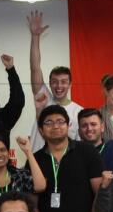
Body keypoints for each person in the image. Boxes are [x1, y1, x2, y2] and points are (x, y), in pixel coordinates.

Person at [33, 105, 106, 212]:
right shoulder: (35, 160)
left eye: (60, 121)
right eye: (49, 123)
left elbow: (99, 195)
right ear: (40, 130)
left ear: (68, 126)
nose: (55, 126)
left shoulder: (87, 152)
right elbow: (32, 206)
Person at [27, 10, 81, 149]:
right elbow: (35, 67)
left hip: (64, 168)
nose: (59, 86)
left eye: (63, 82)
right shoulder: (43, 98)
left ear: (70, 84)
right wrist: (35, 37)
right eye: (55, 81)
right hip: (38, 163)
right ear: (49, 84)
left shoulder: (78, 112)